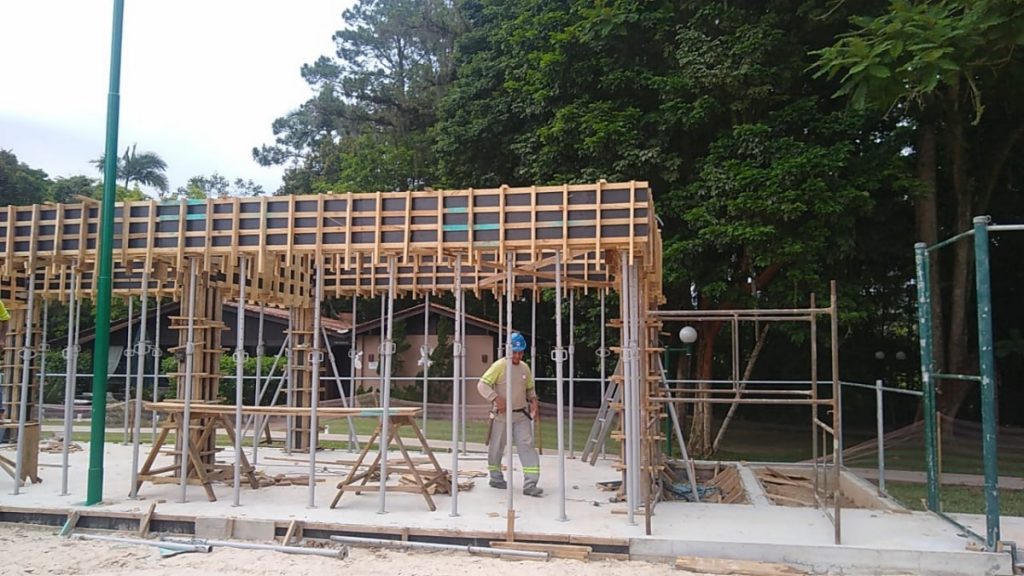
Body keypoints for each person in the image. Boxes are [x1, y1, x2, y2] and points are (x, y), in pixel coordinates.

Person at [476, 331, 543, 497]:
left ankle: (530, 484)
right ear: (508, 350)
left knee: (527, 446)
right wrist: (495, 398)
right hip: (502, 415)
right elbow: (482, 385)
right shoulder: (499, 366)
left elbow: (529, 388)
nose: (518, 356)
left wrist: (534, 401)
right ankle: (496, 478)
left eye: (521, 353)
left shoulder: (525, 368)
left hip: (521, 415)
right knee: (497, 447)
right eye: (515, 352)